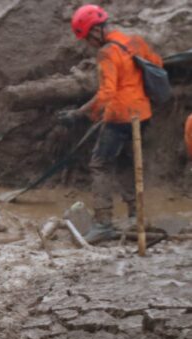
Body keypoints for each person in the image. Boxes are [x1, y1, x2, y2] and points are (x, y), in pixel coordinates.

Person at [60, 4, 163, 242]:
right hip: (143, 115)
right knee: (128, 162)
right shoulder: (135, 41)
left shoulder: (106, 53)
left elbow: (106, 93)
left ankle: (103, 223)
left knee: (100, 164)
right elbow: (156, 64)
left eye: (87, 38)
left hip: (120, 118)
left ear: (95, 31)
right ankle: (136, 215)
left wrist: (79, 113)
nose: (88, 43)